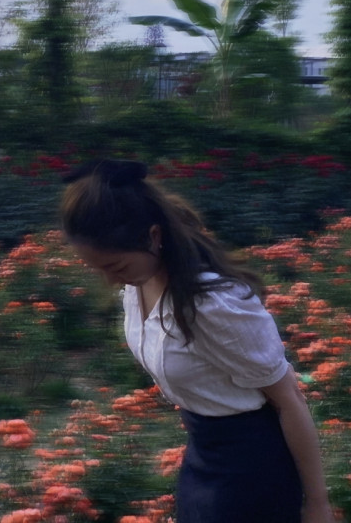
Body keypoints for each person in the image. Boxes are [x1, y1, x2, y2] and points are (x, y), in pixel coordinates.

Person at [60, 159, 335, 523]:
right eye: (100, 270)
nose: (111, 281)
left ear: (154, 237)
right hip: (202, 455)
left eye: (117, 267)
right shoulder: (139, 287)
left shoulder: (211, 306)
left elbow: (289, 399)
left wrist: (317, 505)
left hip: (252, 470)